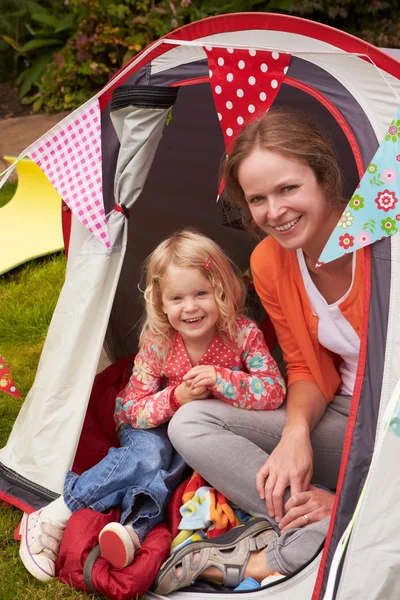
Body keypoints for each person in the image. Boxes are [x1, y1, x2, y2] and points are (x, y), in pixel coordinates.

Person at [158, 108, 363, 593]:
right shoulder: (271, 260)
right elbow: (306, 366)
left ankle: (323, 524)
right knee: (191, 421)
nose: (275, 212)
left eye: (288, 188)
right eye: (257, 199)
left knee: (350, 504)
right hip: (347, 420)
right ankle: (311, 517)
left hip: (391, 433)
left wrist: (347, 499)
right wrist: (296, 434)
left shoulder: (383, 249)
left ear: (325, 177)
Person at [19, 229, 285, 583]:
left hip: (205, 432)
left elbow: (274, 391)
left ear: (222, 290)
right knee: (151, 456)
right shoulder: (159, 342)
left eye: (201, 293)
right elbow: (129, 409)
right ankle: (55, 512)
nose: (190, 307)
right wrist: (176, 398)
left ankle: (133, 529)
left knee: (175, 471)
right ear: (161, 303)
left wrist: (223, 380)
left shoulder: (242, 334)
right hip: (152, 422)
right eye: (177, 298)